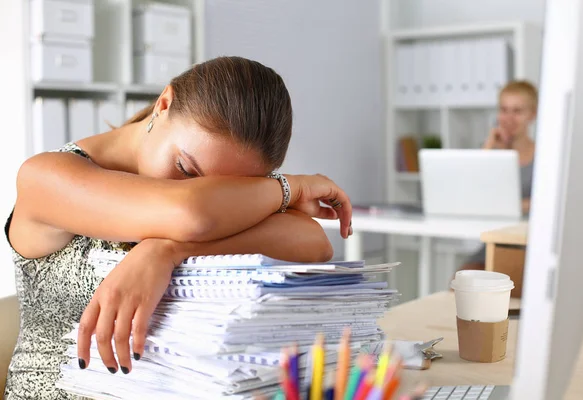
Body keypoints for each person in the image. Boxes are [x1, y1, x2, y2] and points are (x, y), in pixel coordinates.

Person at [3, 56, 353, 399]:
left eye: (228, 191)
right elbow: (192, 213)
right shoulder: (45, 177)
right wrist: (289, 187)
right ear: (163, 104)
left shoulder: (202, 216)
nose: (213, 199)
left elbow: (312, 240)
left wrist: (168, 251)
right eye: (187, 170)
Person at [460, 80, 538, 271]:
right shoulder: (491, 152)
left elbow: (548, 203)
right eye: (504, 110)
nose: (508, 118)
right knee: (459, 282)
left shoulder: (543, 156)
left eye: (517, 111)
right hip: (495, 241)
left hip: (529, 243)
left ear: (532, 115)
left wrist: (510, 205)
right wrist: (489, 148)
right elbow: (470, 193)